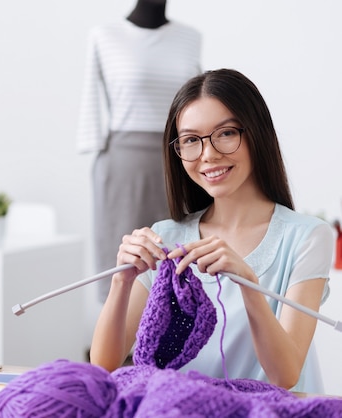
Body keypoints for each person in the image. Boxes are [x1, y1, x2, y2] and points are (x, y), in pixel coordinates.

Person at [90, 68, 334, 394]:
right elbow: (103, 366)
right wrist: (121, 281)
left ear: (256, 133)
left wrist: (248, 284)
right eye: (191, 140)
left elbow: (285, 375)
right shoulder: (165, 237)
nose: (208, 154)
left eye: (226, 134)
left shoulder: (307, 237)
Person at [75, 0, 202, 302]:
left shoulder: (191, 38)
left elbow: (198, 98)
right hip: (125, 165)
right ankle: (120, 344)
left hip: (180, 158)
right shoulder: (105, 35)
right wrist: (91, 141)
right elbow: (90, 95)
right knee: (126, 263)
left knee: (177, 256)